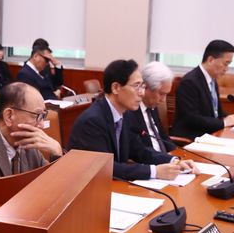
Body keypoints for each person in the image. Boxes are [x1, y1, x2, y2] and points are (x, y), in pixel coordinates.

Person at [68, 59, 199, 181]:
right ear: (116, 88)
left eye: (142, 86)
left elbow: (139, 150)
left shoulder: (124, 115)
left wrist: (174, 161)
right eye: (136, 86)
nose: (142, 93)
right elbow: (105, 168)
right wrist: (154, 172)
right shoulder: (92, 121)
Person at [0, 82, 62, 178]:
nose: (42, 125)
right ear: (9, 116)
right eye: (37, 115)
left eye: (43, 116)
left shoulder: (29, 142)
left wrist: (57, 153)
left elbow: (51, 185)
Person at [172, 40, 234, 139]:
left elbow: (216, 112)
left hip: (210, 134)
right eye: (226, 63)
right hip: (192, 137)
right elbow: (191, 119)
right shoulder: (190, 82)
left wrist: (231, 118)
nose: (227, 69)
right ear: (210, 60)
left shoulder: (212, 80)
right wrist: (224, 122)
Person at [131, 61, 176, 153]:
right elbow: (139, 151)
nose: (163, 100)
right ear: (145, 87)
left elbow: (162, 136)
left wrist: (177, 156)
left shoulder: (152, 106)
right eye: (162, 94)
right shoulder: (130, 111)